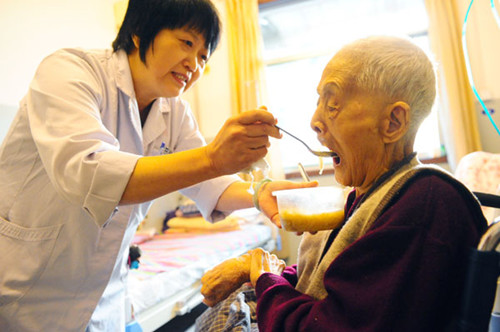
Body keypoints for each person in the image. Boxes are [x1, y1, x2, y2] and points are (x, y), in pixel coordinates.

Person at [0, 0, 314, 330]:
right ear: (139, 30)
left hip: (106, 296)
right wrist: (211, 159)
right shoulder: (69, 71)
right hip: (27, 288)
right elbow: (88, 171)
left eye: (203, 56)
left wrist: (258, 194)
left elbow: (209, 183)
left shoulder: (174, 112)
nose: (194, 64)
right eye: (187, 43)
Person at [198, 36, 488, 331]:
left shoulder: (424, 205)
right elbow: (337, 276)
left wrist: (264, 278)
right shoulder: (369, 195)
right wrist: (262, 269)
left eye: (333, 104)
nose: (314, 121)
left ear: (393, 123)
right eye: (318, 102)